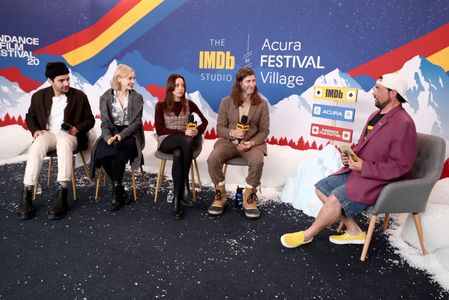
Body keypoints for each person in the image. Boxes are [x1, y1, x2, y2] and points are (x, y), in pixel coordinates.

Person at [280, 73, 418, 248]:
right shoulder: (375, 115)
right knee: (322, 188)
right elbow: (364, 145)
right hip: (360, 172)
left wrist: (364, 166)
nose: (373, 92)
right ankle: (354, 231)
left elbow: (401, 167)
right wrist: (351, 155)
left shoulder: (404, 123)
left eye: (378, 88)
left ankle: (307, 234)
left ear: (393, 93)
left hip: (379, 180)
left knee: (335, 199)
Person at [16, 61, 95, 220]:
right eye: (61, 80)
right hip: (48, 134)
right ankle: (27, 194)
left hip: (69, 135)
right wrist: (35, 130)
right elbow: (29, 117)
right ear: (50, 81)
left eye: (68, 79)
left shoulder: (79, 96)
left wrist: (77, 129)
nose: (66, 83)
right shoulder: (39, 96)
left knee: (64, 142)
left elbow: (90, 119)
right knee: (37, 146)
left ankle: (62, 194)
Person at [207, 67, 270, 219]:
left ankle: (249, 197)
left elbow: (264, 131)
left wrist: (252, 143)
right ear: (240, 83)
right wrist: (231, 133)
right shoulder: (226, 102)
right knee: (212, 159)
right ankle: (220, 195)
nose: (252, 84)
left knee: (257, 161)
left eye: (254, 81)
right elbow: (219, 127)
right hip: (229, 142)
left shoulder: (262, 104)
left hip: (251, 144)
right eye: (248, 81)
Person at [90, 64, 145, 211]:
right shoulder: (106, 98)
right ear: (119, 79)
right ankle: (118, 189)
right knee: (101, 152)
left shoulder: (137, 98)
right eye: (130, 78)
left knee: (118, 151)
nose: (133, 81)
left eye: (134, 78)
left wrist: (121, 136)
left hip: (130, 134)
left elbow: (136, 124)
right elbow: (105, 123)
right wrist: (108, 137)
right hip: (111, 132)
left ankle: (116, 194)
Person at [155, 74, 208, 219]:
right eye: (177, 85)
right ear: (171, 88)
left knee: (179, 153)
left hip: (182, 144)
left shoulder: (189, 104)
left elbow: (204, 122)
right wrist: (183, 132)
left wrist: (197, 131)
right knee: (186, 141)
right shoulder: (161, 105)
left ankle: (177, 199)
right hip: (166, 141)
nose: (181, 89)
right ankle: (185, 185)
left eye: (183, 85)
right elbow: (160, 130)